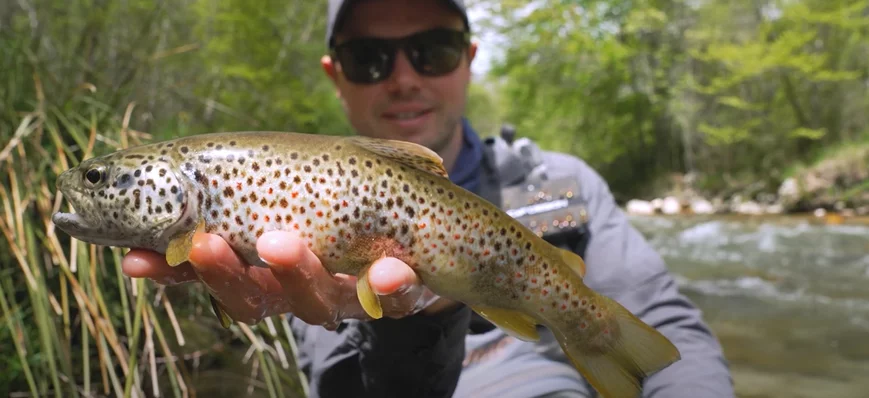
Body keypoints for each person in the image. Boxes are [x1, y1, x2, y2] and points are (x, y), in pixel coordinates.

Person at [121, 0, 735, 397]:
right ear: (335, 75)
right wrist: (408, 324)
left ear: (469, 60)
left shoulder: (554, 184)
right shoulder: (292, 216)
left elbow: (670, 332)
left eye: (432, 51)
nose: (405, 77)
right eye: (370, 58)